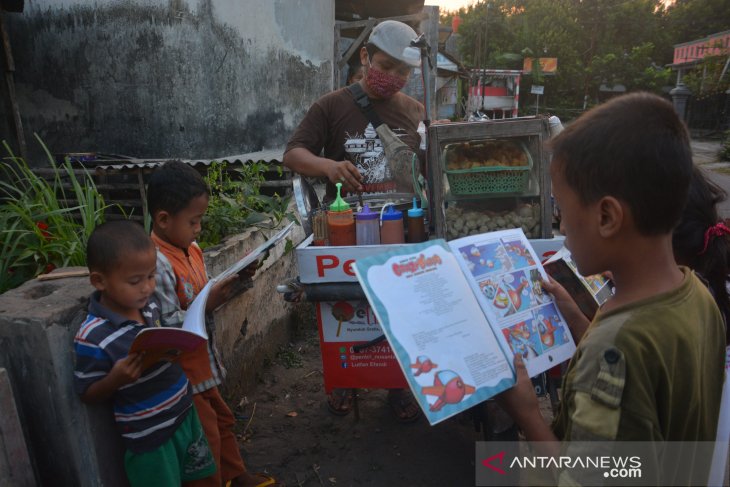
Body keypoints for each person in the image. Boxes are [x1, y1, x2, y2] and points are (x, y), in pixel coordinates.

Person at [497, 92, 725, 485]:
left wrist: (529, 415)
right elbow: (648, 382)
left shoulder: (612, 352)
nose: (562, 228)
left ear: (606, 216)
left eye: (563, 212)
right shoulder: (698, 295)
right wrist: (579, 321)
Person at [283, 20, 425, 422]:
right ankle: (345, 375)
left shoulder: (414, 111)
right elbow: (293, 154)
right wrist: (328, 165)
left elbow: (422, 171)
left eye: (404, 71)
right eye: (387, 65)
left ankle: (399, 387)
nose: (394, 77)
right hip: (346, 229)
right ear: (365, 57)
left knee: (401, 311)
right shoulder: (331, 105)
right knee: (344, 308)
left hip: (400, 228)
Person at [147, 161, 280, 487]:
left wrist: (234, 281)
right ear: (163, 219)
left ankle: (237, 475)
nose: (199, 229)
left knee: (223, 421)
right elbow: (166, 327)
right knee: (205, 440)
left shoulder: (191, 250)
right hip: (184, 375)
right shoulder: (156, 264)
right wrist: (211, 299)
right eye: (193, 221)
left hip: (205, 364)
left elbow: (204, 296)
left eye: (200, 220)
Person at [73, 220, 216, 486]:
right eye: (135, 281)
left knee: (202, 479)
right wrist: (115, 379)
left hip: (184, 414)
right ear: (99, 281)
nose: (147, 287)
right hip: (150, 438)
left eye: (151, 276)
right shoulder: (93, 335)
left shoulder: (148, 307)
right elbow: (86, 391)